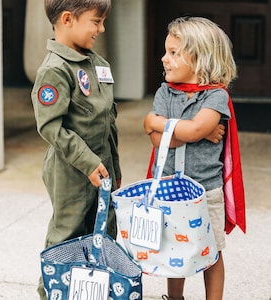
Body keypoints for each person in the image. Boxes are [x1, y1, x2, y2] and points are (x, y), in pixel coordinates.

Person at [144, 16, 245, 300]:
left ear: (201, 59)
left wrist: (154, 121)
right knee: (172, 249)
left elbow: (191, 129)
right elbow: (159, 139)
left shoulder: (216, 96)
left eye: (174, 53)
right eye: (166, 51)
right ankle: (174, 298)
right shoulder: (165, 91)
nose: (164, 59)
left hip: (204, 190)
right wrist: (193, 132)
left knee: (210, 251)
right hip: (167, 185)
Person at [31, 0, 121, 299]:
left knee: (104, 234)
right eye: (96, 21)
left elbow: (108, 123)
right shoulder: (55, 70)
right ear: (68, 19)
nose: (101, 28)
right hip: (70, 174)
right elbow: (51, 127)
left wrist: (114, 170)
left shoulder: (99, 66)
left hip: (102, 170)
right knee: (66, 238)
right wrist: (87, 162)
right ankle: (52, 293)